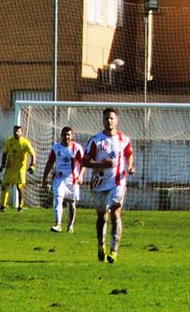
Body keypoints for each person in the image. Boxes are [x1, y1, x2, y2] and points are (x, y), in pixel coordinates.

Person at [80, 107, 134, 263]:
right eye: (106, 118)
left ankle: (113, 251)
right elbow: (84, 162)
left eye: (111, 118)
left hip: (118, 181)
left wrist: (130, 166)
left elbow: (129, 154)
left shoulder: (124, 139)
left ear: (117, 120)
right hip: (99, 183)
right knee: (101, 216)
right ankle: (100, 245)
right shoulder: (96, 140)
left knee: (115, 212)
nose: (109, 121)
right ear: (102, 121)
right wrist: (101, 164)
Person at [40, 125, 84, 233]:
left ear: (72, 136)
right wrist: (44, 177)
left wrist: (81, 175)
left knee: (71, 203)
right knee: (58, 198)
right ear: (61, 135)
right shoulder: (56, 148)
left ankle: (70, 225)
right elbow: (50, 162)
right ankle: (58, 224)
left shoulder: (77, 148)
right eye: (64, 135)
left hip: (72, 179)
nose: (66, 137)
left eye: (68, 135)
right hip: (59, 178)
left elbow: (83, 163)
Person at [0, 124, 37, 211]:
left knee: (19, 187)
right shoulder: (9, 141)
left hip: (20, 169)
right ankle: (3, 206)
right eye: (15, 131)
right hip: (10, 167)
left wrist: (32, 165)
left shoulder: (25, 142)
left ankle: (20, 206)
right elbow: (5, 152)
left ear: (21, 132)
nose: (16, 133)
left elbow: (33, 154)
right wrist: (3, 164)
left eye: (18, 131)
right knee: (4, 186)